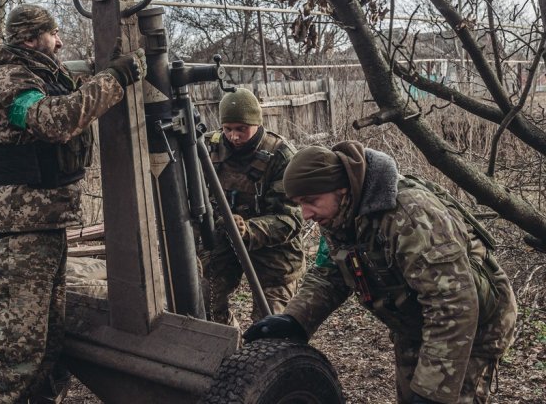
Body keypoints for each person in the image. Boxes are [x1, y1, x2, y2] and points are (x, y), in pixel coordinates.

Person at [0, 4, 145, 403]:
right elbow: (54, 120)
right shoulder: (6, 82)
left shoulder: (35, 74)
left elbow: (67, 91)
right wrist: (113, 79)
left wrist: (103, 70)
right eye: (53, 34)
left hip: (39, 228)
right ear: (30, 39)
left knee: (44, 345)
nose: (60, 42)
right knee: (12, 352)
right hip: (18, 233)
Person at [244, 141, 517, 404]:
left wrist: (434, 392)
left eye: (311, 200)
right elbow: (330, 274)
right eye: (299, 203)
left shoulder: (411, 216)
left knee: (438, 395)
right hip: (415, 321)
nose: (305, 214)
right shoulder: (339, 213)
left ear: (341, 188)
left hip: (475, 326)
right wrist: (295, 320)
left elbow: (452, 304)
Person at [200, 88, 305, 327]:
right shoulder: (209, 148)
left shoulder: (281, 156)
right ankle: (229, 349)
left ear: (257, 124)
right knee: (207, 307)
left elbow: (291, 220)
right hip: (221, 242)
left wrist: (248, 229)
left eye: (241, 129)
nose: (234, 136)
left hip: (274, 253)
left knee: (271, 325)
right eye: (227, 128)